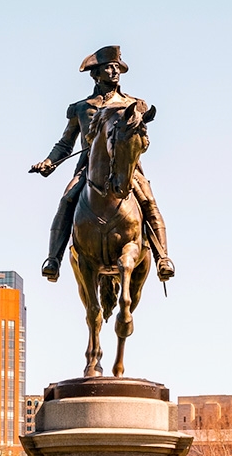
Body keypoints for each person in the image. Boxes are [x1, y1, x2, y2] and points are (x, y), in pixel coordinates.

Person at [29, 45, 175, 283]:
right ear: (96, 74)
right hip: (89, 170)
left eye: (117, 67)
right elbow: (66, 144)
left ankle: (163, 258)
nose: (114, 71)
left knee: (149, 202)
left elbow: (143, 141)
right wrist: (49, 162)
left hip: (127, 170)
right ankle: (53, 259)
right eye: (109, 67)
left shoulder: (134, 104)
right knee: (67, 200)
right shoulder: (82, 108)